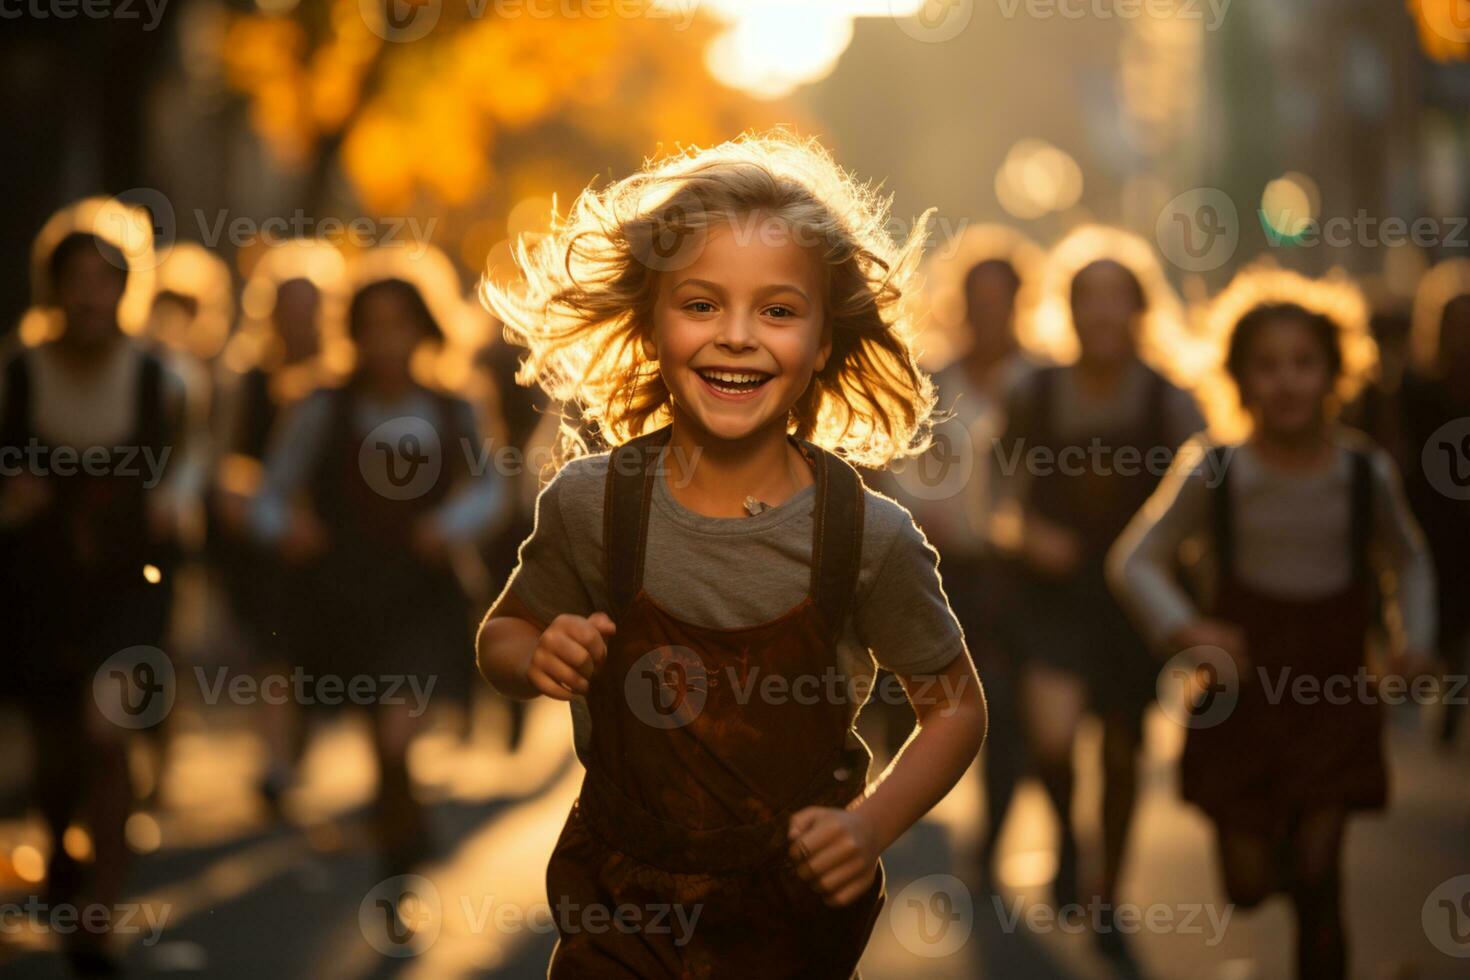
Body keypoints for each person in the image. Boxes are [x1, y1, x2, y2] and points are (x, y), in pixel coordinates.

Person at [476, 131, 987, 979]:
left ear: (823, 342)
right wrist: (536, 653)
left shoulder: (866, 537)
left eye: (778, 311)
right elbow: (501, 638)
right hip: (618, 909)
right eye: (702, 304)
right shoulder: (592, 503)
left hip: (784, 926)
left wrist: (870, 826)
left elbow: (957, 708)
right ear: (650, 325)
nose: (738, 337)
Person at [1108, 268, 1437, 980]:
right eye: (1267, 366)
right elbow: (1136, 559)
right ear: (1238, 377)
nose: (1286, 382)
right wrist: (1189, 630)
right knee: (1249, 888)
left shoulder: (1361, 473)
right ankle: (1280, 863)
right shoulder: (1216, 469)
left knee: (1321, 877)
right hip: (1243, 700)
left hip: (1333, 696)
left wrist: (1414, 639)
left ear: (1334, 372)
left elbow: (1408, 560)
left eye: (1303, 364)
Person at [250, 246, 502, 875]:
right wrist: (290, 526)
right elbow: (272, 491)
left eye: (400, 323)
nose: (386, 339)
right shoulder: (320, 405)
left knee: (398, 721)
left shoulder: (456, 406)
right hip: (341, 591)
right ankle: (400, 824)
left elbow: (494, 485)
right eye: (373, 325)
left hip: (424, 590)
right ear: (353, 331)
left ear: (425, 327)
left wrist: (448, 526)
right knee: (377, 717)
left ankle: (400, 822)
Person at [992, 226, 1205, 955]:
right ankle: (1064, 837)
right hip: (1053, 592)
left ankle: (1109, 887)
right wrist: (1026, 535)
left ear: (1140, 309)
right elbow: (997, 493)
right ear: (1069, 308)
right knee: (1051, 741)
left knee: (1121, 750)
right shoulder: (1034, 389)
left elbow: (1209, 506)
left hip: (1133, 600)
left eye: (1119, 299)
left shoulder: (1172, 401)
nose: (1103, 314)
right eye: (1090, 298)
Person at [0, 199, 189, 974]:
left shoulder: (159, 379)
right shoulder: (17, 372)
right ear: (51, 287)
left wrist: (179, 496)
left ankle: (97, 912)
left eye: (103, 279)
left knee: (106, 730)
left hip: (129, 582)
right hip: (38, 584)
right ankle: (59, 848)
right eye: (73, 279)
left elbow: (190, 466)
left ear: (126, 288)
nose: (87, 295)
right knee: (52, 744)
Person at [879, 226, 1042, 891]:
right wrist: (918, 511)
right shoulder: (933, 378)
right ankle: (904, 803)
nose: (990, 311)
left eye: (1002, 299)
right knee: (912, 691)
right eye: (979, 298)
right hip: (936, 565)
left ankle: (991, 847)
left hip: (1014, 573)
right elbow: (896, 461)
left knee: (1003, 705)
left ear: (1020, 301)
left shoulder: (1042, 380)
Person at [209, 239, 345, 813]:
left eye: (308, 305)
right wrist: (265, 514)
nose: (298, 317)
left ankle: (295, 746)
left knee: (314, 655)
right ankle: (276, 762)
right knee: (272, 651)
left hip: (331, 542)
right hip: (266, 539)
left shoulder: (344, 381)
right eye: (288, 305)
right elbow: (227, 460)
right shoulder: (249, 379)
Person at [1352, 259, 1470, 747]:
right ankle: (1423, 669)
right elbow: (1394, 449)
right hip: (1427, 512)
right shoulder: (1409, 387)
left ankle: (1451, 699)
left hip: (1462, 515)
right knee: (1438, 600)